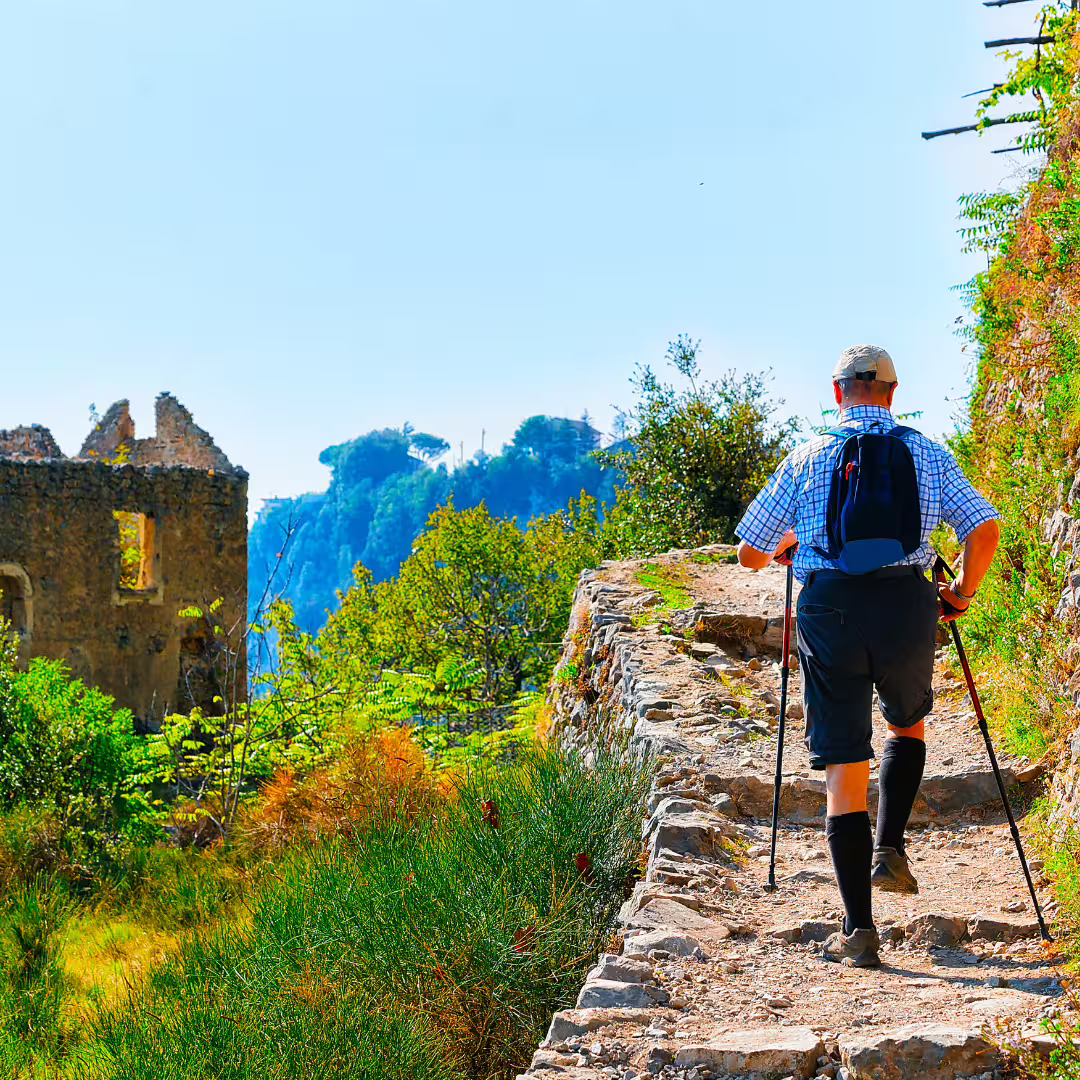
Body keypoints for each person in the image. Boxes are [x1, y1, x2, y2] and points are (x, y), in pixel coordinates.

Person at [734, 345, 1001, 969]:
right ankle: (889, 850)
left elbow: (749, 551)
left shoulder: (806, 456)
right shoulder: (927, 453)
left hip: (828, 612)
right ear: (892, 391)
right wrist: (959, 591)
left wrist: (792, 547)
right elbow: (982, 529)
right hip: (906, 605)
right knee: (906, 722)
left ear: (838, 392)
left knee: (842, 768)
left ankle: (859, 930)